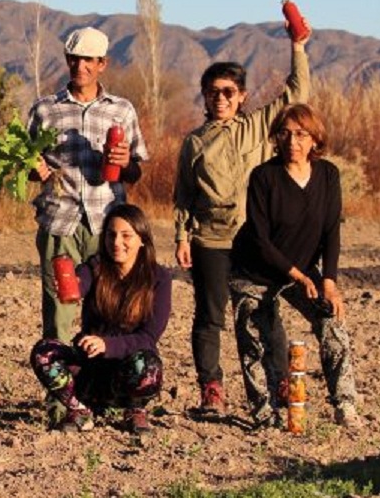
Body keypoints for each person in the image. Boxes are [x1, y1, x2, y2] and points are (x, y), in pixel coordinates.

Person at [173, 33, 310, 418]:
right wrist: (182, 236)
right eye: (213, 92)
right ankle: (211, 389)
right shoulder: (194, 143)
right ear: (204, 95)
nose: (220, 98)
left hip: (255, 239)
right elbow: (183, 193)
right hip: (210, 238)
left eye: (228, 92)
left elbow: (297, 92)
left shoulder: (258, 127)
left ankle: (280, 380)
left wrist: (297, 45)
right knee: (210, 316)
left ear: (242, 96)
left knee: (264, 311)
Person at [229, 103, 360, 429]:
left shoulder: (328, 175)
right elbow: (259, 239)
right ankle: (265, 413)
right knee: (255, 341)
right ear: (275, 138)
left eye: (301, 134)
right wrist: (298, 276)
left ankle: (345, 405)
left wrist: (328, 280)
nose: (292, 141)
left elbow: (331, 231)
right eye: (284, 133)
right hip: (254, 271)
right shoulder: (264, 177)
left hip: (304, 271)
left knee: (333, 321)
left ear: (315, 139)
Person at [29, 26, 147, 344]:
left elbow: (136, 173)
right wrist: (33, 169)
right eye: (74, 60)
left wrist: (123, 164)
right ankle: (60, 390)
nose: (80, 67)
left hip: (107, 223)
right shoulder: (44, 110)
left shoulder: (121, 110)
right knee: (59, 310)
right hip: (59, 220)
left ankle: (100, 387)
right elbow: (26, 165)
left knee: (108, 307)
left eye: (88, 61)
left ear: (102, 64)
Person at [29, 204, 170, 434]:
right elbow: (80, 284)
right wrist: (71, 286)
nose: (116, 242)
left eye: (126, 236)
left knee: (149, 365)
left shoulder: (159, 278)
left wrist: (107, 345)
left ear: (142, 240)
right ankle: (79, 409)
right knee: (44, 352)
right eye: (111, 234)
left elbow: (148, 337)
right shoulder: (94, 267)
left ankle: (135, 410)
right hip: (89, 369)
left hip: (127, 370)